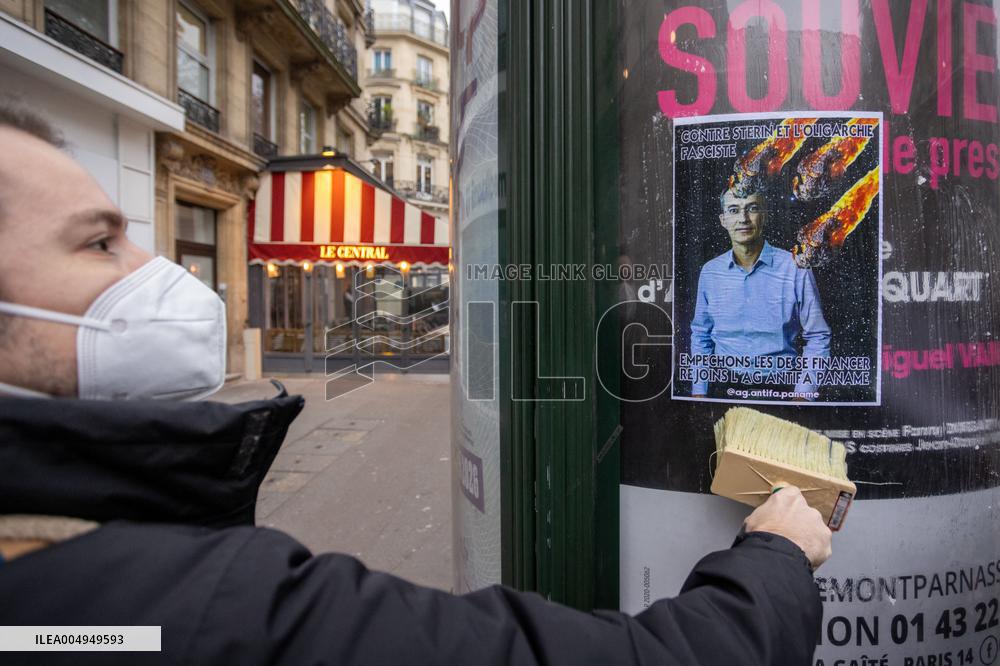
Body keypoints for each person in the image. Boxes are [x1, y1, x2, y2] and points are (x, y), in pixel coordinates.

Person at [0, 99, 831, 664]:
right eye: (99, 244)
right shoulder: (181, 607)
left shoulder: (76, 603)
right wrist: (775, 562)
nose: (152, 272)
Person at [689, 187, 831, 400]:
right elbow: (701, 336)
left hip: (781, 390)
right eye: (734, 210)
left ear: (764, 216)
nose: (743, 219)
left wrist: (802, 395)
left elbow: (818, 336)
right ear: (723, 220)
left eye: (752, 209)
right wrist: (699, 393)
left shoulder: (795, 267)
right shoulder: (710, 272)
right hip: (722, 389)